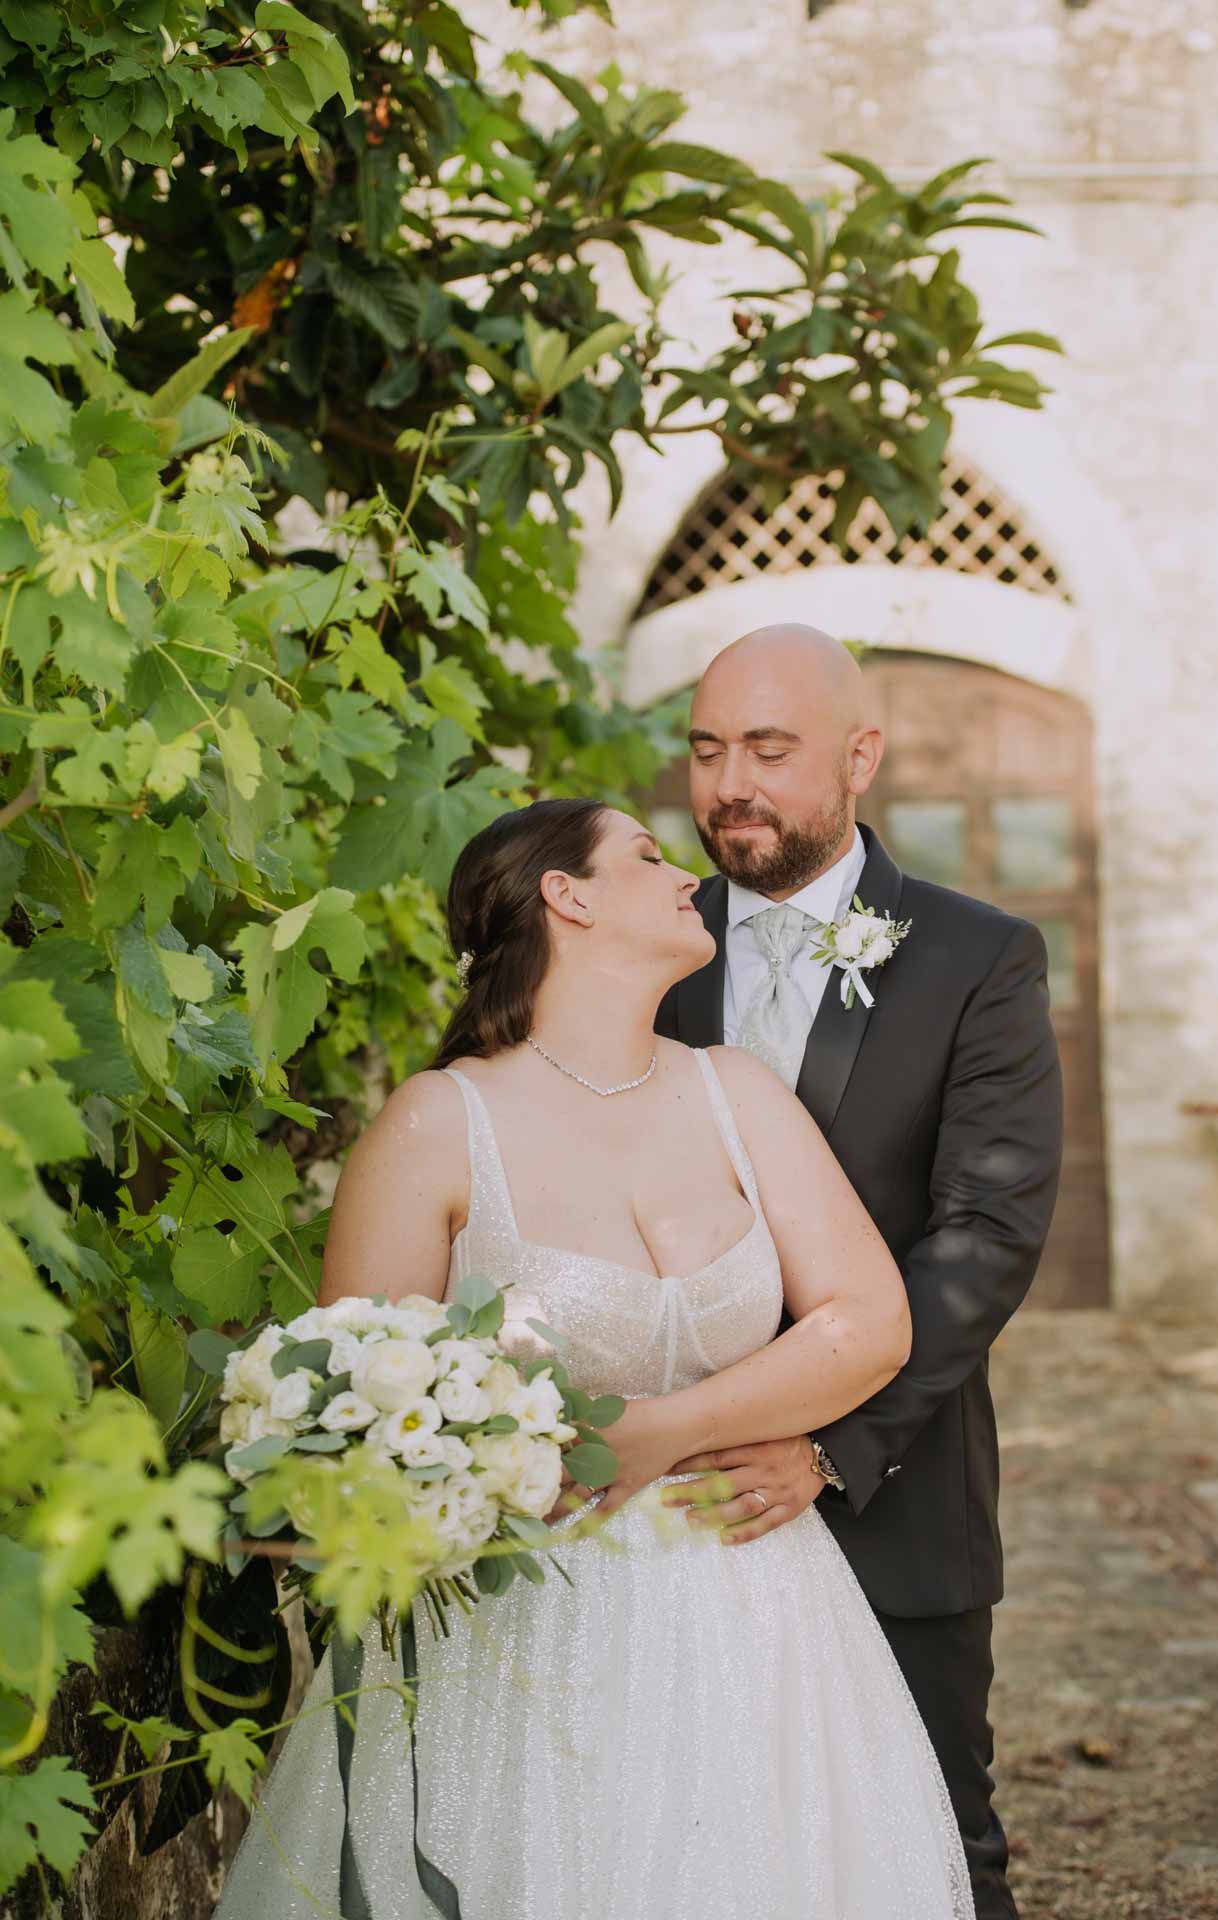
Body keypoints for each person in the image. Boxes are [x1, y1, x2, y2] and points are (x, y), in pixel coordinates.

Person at [215, 793, 975, 1920]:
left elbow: (868, 1322)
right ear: (566, 897)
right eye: (649, 856)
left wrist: (663, 1430)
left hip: (759, 1605)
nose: (687, 876)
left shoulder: (738, 1093)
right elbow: (354, 1408)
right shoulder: (438, 1122)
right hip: (527, 1625)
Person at [653, 623, 1064, 1920]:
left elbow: (985, 1236)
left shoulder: (977, 957)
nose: (730, 785)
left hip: (896, 1490)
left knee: (932, 1850)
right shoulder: (640, 947)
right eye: (707, 750)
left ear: (859, 757)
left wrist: (825, 1446)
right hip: (665, 1501)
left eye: (768, 750)